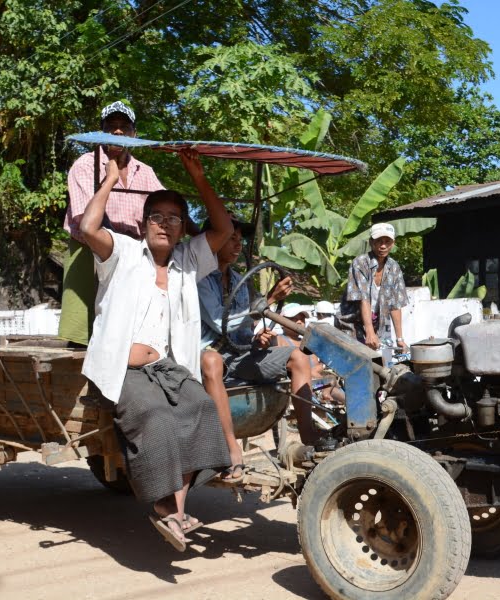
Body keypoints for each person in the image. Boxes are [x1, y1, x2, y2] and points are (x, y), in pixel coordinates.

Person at [80, 149, 233, 552]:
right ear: (143, 223)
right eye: (157, 217)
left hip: (168, 367)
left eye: (173, 219)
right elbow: (87, 227)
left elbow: (224, 228)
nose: (165, 224)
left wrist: (199, 177)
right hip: (124, 371)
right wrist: (111, 178)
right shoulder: (123, 254)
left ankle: (177, 512)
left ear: (183, 228)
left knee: (200, 410)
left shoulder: (188, 260)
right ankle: (165, 509)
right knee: (158, 416)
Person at [197, 217, 319, 476]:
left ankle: (311, 441)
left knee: (298, 356)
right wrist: (270, 298)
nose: (237, 245)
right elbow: (221, 322)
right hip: (208, 356)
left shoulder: (241, 280)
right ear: (213, 240)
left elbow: (241, 329)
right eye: (231, 239)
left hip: (239, 356)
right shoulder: (199, 279)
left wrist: (255, 339)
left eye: (240, 240)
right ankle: (231, 449)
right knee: (213, 360)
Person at [59, 101, 164, 346]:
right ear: (100, 132)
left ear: (133, 134)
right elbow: (86, 221)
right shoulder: (85, 165)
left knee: (131, 332)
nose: (118, 132)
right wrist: (110, 178)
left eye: (124, 127)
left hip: (132, 256)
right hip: (89, 252)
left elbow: (163, 209)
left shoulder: (145, 171)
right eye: (111, 127)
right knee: (86, 336)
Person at [335, 223, 409, 350]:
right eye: (379, 241)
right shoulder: (360, 263)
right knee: (357, 360)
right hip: (352, 323)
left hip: (378, 325)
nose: (383, 246)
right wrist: (369, 332)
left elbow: (395, 305)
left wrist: (400, 338)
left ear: (393, 243)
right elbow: (364, 299)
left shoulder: (394, 267)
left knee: (385, 362)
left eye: (387, 241)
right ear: (371, 242)